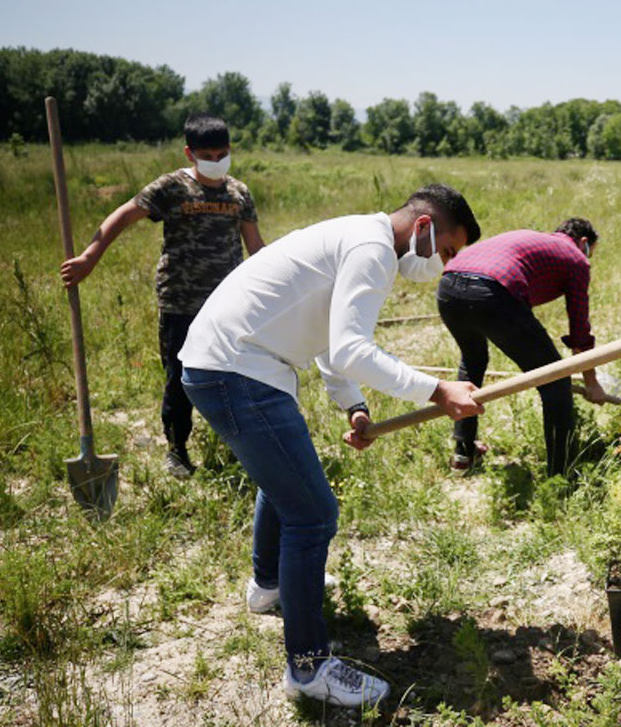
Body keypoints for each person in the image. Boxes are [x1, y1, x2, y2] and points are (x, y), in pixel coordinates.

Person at [178, 184, 483, 708]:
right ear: (426, 228)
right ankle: (308, 670)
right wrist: (437, 389)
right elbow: (350, 346)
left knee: (287, 482)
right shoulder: (373, 250)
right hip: (237, 370)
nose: (444, 264)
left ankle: (269, 588)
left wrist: (354, 405)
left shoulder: (360, 237)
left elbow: (327, 338)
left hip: (225, 364)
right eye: (449, 251)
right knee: (313, 513)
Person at [59, 114, 264, 479]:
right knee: (180, 376)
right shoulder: (171, 188)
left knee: (234, 373)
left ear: (230, 150)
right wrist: (90, 256)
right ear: (189, 153)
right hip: (180, 302)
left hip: (228, 304)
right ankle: (177, 449)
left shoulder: (239, 193)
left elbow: (255, 247)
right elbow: (124, 215)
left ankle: (238, 444)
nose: (216, 161)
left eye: (221, 153)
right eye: (207, 155)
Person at [437, 217, 611, 477]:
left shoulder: (537, 243)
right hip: (491, 290)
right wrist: (591, 381)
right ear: (584, 242)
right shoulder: (576, 259)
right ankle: (561, 475)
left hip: (448, 288)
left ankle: (464, 453)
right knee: (556, 379)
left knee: (473, 360)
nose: (589, 258)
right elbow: (579, 328)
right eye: (591, 252)